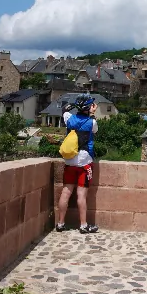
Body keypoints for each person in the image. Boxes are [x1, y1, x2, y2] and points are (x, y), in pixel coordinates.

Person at [56, 94, 99, 234]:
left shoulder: (69, 118)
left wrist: (72, 106)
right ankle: (83, 225)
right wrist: (92, 113)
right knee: (81, 195)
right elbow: (95, 131)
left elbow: (64, 110)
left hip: (70, 161)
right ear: (89, 108)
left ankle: (60, 223)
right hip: (84, 163)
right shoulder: (91, 122)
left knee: (66, 192)